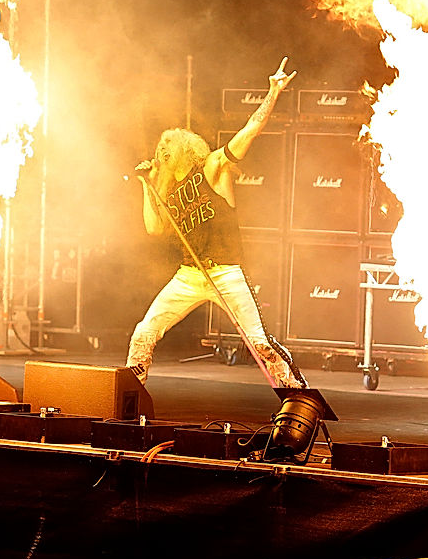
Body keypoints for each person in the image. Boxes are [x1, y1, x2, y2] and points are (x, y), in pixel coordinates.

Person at [125, 58, 304, 389]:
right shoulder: (170, 192)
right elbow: (154, 228)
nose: (162, 147)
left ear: (187, 148)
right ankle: (129, 394)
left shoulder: (212, 168)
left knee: (260, 342)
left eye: (169, 143)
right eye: (161, 144)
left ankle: (295, 393)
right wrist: (145, 184)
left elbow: (250, 129)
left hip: (225, 273)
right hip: (189, 276)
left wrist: (273, 92)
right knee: (145, 331)